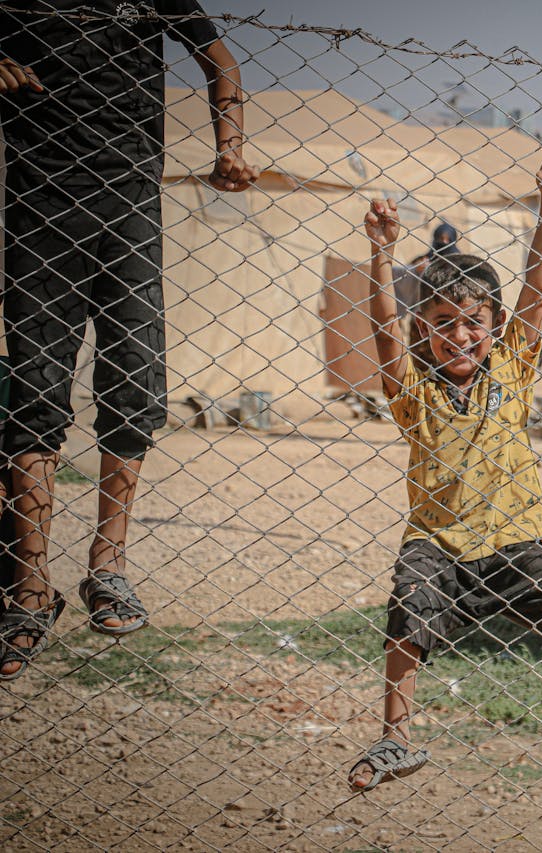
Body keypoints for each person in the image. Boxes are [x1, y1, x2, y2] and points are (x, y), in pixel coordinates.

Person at [347, 150, 542, 796]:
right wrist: (380, 254)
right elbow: (382, 333)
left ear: (495, 327)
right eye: (442, 324)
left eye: (474, 323)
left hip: (514, 537)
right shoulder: (413, 392)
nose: (459, 336)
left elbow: (536, 292)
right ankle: (396, 735)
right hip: (440, 540)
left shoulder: (512, 367)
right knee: (408, 604)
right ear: (422, 328)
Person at [0, 0, 259, 679]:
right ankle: (30, 587)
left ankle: (106, 566)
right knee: (34, 387)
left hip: (130, 201)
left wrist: (229, 145)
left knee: (136, 377)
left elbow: (219, 59)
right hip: (38, 202)